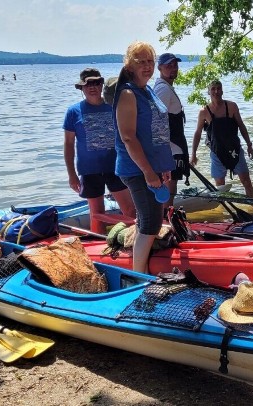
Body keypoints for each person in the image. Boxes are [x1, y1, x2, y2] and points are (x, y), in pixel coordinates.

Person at [113, 41, 175, 273]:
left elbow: (158, 131)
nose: (147, 66)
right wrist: (149, 172)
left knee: (146, 219)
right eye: (141, 61)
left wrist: (163, 165)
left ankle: (142, 266)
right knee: (151, 222)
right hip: (137, 169)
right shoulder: (128, 94)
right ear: (130, 65)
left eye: (151, 61)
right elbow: (128, 137)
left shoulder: (147, 90)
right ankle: (139, 276)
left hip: (153, 167)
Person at [63, 67, 136, 233]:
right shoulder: (73, 112)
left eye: (96, 82)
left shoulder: (114, 106)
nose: (92, 87)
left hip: (117, 167)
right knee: (97, 214)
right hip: (89, 171)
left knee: (130, 211)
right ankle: (98, 245)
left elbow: (130, 134)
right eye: (88, 84)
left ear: (102, 84)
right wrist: (72, 174)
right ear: (81, 87)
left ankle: (133, 240)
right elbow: (68, 144)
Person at [190, 80, 253, 198]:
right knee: (220, 187)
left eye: (218, 88)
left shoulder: (231, 106)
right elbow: (197, 133)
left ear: (222, 91)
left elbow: (241, 125)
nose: (216, 91)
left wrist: (249, 145)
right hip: (217, 153)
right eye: (213, 89)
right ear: (209, 92)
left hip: (235, 150)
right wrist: (193, 154)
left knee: (246, 181)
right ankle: (224, 214)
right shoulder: (204, 111)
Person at [152, 52, 191, 210]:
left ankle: (164, 221)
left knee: (170, 189)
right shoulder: (163, 90)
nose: (173, 68)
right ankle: (165, 223)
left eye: (175, 65)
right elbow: (156, 121)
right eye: (169, 66)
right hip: (170, 149)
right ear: (160, 68)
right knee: (169, 189)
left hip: (173, 148)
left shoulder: (164, 87)